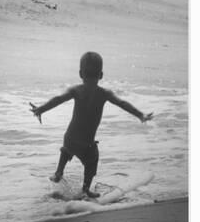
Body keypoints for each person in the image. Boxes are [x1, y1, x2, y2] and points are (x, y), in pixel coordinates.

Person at [29, 51, 153, 198]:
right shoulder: (104, 93)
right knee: (92, 161)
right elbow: (122, 103)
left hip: (71, 137)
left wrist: (41, 109)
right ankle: (86, 189)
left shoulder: (76, 90)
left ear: (81, 73)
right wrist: (140, 115)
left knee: (67, 150)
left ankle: (58, 173)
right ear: (101, 75)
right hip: (87, 143)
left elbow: (58, 99)